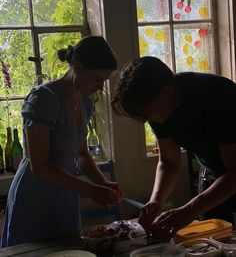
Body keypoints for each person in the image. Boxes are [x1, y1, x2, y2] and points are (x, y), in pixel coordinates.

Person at [1, 35, 123, 247]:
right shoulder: (44, 99)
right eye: (97, 79)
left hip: (65, 196)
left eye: (103, 80)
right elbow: (40, 167)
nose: (100, 87)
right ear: (76, 67)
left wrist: (103, 184)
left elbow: (83, 155)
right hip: (35, 197)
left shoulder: (83, 102)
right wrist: (92, 190)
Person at [111, 55, 236, 240]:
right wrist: (156, 200)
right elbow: (169, 162)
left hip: (231, 173)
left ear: (167, 92)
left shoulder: (218, 96)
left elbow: (235, 171)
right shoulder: (159, 106)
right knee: (211, 242)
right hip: (213, 176)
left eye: (148, 113)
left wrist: (190, 209)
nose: (147, 119)